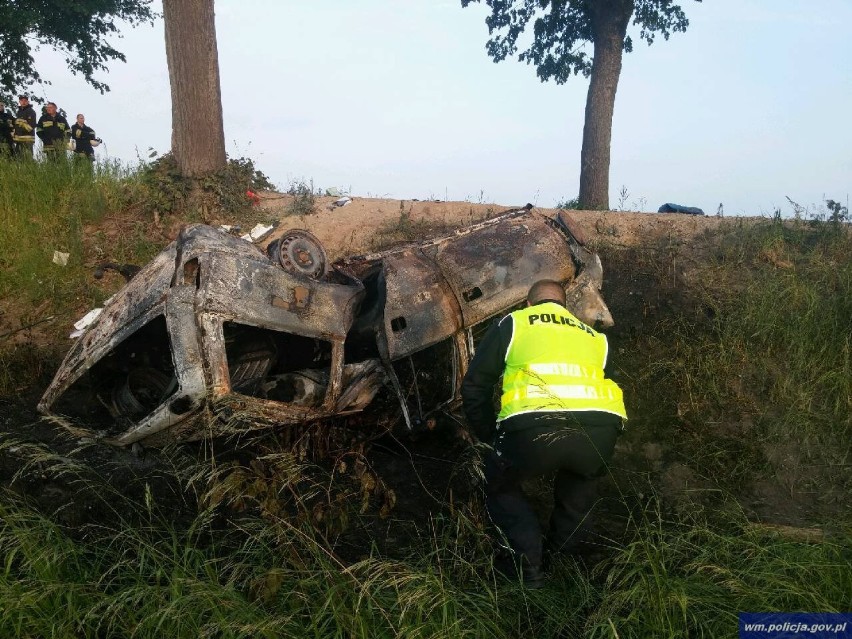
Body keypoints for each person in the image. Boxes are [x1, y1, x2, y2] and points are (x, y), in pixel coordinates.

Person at [461, 279, 627, 588]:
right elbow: (611, 384)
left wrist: (489, 438)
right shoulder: (594, 336)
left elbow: (475, 387)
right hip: (600, 431)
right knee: (581, 487)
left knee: (502, 486)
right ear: (566, 307)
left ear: (528, 304)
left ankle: (528, 569)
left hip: (530, 431)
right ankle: (563, 562)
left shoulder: (514, 323)